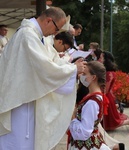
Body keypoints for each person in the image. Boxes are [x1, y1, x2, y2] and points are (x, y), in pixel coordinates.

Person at [0, 7, 86, 150]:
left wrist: (70, 67)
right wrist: (73, 69)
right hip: (20, 101)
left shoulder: (39, 37)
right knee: (19, 141)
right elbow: (44, 68)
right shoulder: (27, 36)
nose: (56, 33)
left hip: (28, 98)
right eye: (57, 29)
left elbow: (51, 60)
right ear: (48, 21)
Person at [67, 61, 111, 150]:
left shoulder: (92, 102)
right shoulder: (93, 96)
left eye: (84, 74)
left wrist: (72, 117)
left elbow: (83, 132)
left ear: (93, 77)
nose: (81, 76)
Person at [99, 51, 129, 131]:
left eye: (101, 57)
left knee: (112, 122)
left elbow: (105, 90)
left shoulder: (108, 73)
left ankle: (128, 122)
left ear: (106, 59)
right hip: (107, 97)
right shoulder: (110, 72)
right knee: (109, 121)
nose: (99, 59)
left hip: (106, 97)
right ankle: (128, 121)